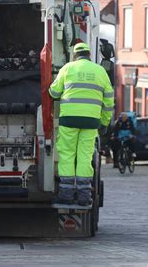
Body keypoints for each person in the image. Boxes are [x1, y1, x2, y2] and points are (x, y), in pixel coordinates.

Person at [49, 42, 114, 206]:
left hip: (69, 119)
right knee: (85, 156)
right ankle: (84, 196)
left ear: (74, 55)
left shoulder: (67, 68)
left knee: (67, 154)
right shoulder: (100, 71)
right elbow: (108, 101)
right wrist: (104, 122)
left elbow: (54, 92)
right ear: (89, 55)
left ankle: (66, 194)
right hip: (91, 121)